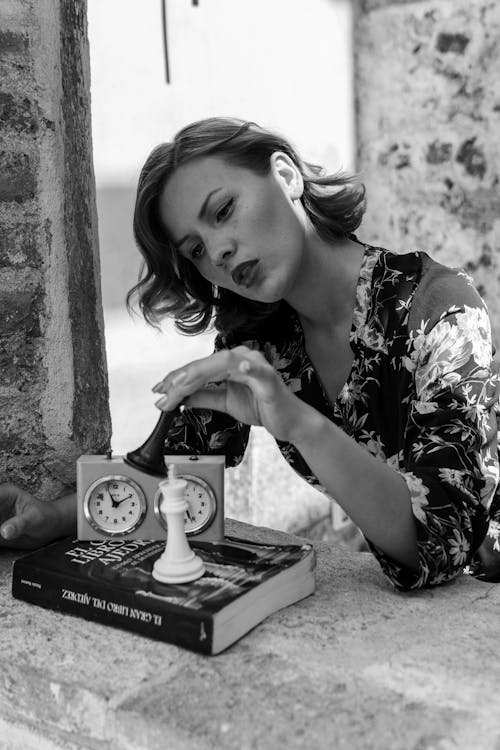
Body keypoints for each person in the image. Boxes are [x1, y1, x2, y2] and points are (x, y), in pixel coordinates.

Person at [1, 117, 499, 589]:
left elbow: (439, 544)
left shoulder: (439, 310)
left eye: (222, 211)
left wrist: (298, 422)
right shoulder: (261, 340)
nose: (217, 252)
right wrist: (52, 520)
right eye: (195, 249)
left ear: (285, 175)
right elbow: (171, 469)